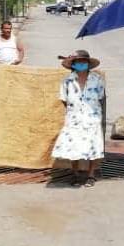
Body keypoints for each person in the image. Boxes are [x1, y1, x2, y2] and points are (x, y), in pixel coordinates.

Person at [51, 50, 105, 188]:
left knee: (93, 145)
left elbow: (100, 97)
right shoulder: (67, 81)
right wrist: (74, 109)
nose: (81, 64)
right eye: (78, 62)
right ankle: (75, 174)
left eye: (84, 62)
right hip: (73, 117)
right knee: (73, 146)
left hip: (92, 116)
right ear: (73, 65)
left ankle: (91, 175)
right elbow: (64, 99)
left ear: (88, 63)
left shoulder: (97, 79)